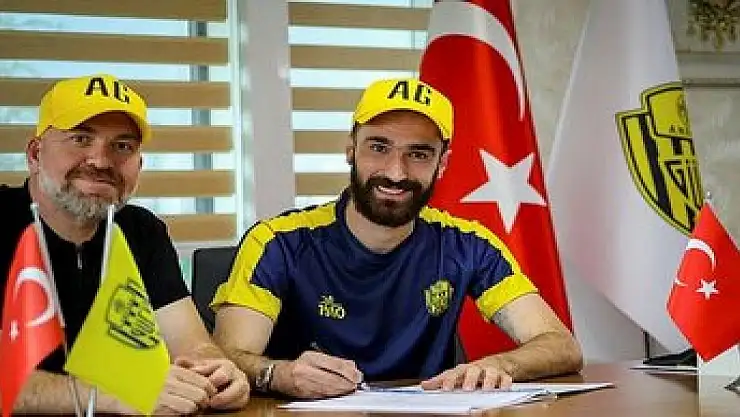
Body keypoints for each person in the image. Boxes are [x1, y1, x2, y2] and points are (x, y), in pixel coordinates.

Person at [212, 78, 583, 399]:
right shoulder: (278, 242)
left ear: (442, 164)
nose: (395, 172)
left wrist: (500, 365)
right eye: (379, 147)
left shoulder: (468, 244)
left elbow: (562, 345)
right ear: (350, 149)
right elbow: (225, 357)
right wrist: (279, 375)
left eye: (418, 154)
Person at [0, 74, 250, 414]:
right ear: (34, 154)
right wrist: (113, 394)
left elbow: (191, 346)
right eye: (81, 139)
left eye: (122, 146)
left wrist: (217, 372)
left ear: (139, 165)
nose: (101, 161)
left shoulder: (142, 230)